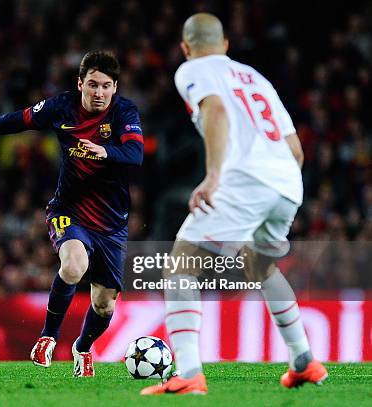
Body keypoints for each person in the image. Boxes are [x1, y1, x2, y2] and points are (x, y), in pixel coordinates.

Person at [141, 13, 328, 395]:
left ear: (185, 47)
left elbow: (216, 110)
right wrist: (278, 187)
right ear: (225, 44)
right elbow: (295, 149)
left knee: (180, 265)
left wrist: (213, 176)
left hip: (246, 178)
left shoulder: (192, 70)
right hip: (288, 181)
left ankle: (190, 372)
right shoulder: (256, 78)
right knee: (260, 264)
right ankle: (304, 361)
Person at [0, 51, 144, 377]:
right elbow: (18, 120)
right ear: (80, 83)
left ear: (115, 88)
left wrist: (105, 151)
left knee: (104, 303)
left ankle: (82, 348)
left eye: (107, 86)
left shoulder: (124, 111)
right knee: (73, 265)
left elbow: (135, 154)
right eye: (93, 85)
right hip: (69, 210)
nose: (99, 93)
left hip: (112, 223)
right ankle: (47, 337)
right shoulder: (61, 107)